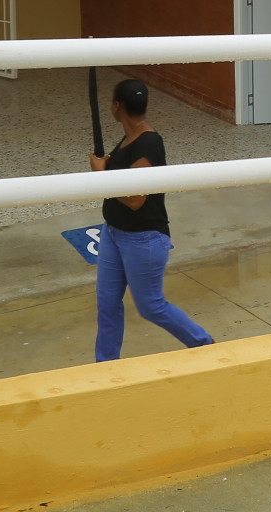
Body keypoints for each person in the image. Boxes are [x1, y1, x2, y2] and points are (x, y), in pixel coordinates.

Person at [89, 78, 214, 362]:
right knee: (107, 302)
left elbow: (136, 199)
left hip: (143, 238)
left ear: (117, 106)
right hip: (113, 232)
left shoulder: (149, 142)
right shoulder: (129, 137)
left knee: (151, 306)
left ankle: (205, 343)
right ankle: (105, 364)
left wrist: (101, 175)